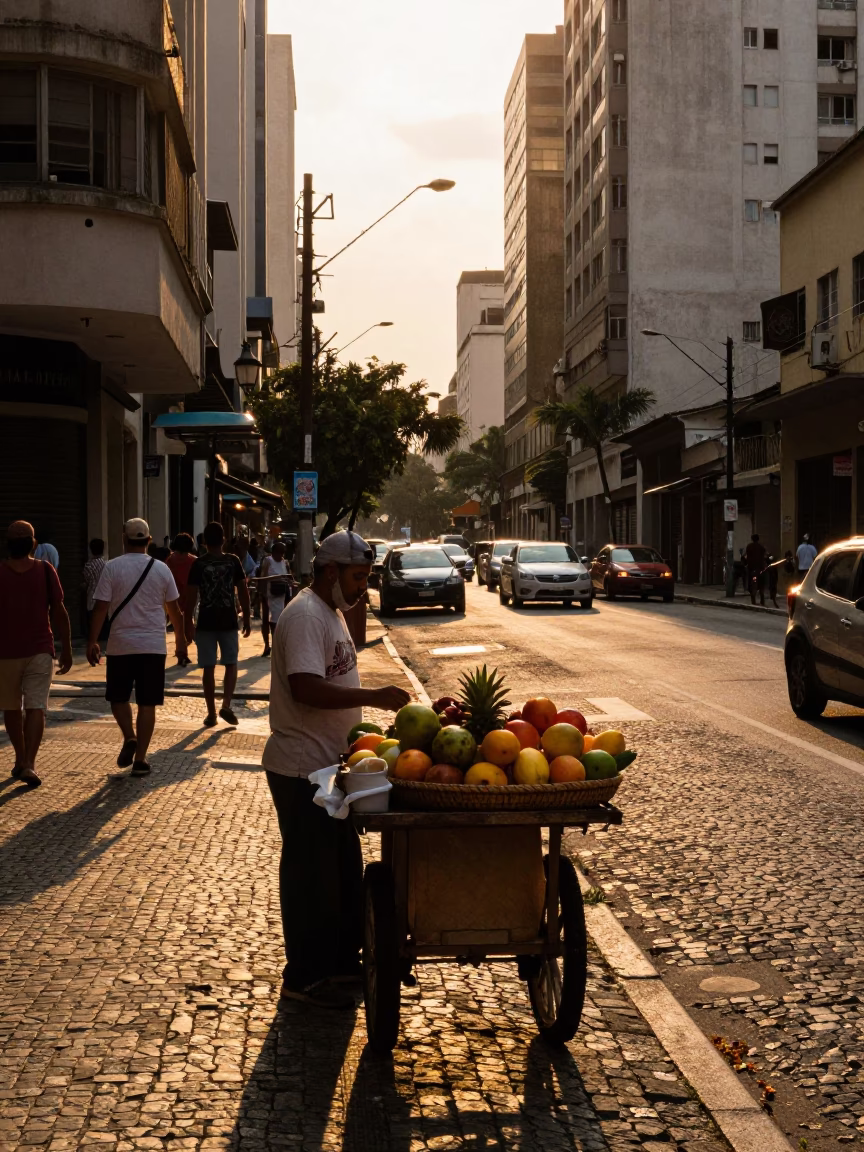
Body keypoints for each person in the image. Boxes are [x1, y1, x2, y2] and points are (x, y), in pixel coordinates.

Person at [262, 530, 411, 1009]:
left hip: (331, 768)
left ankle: (343, 965)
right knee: (310, 875)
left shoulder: (331, 611)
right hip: (303, 769)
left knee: (342, 871)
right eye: (357, 577)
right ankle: (304, 975)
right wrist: (373, 697)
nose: (362, 587)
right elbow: (305, 687)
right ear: (329, 572)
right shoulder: (306, 615)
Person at [87, 518, 187, 778]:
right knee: (147, 703)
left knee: (118, 698)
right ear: (149, 540)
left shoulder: (112, 568)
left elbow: (100, 608)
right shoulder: (162, 569)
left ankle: (129, 736)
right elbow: (175, 610)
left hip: (121, 645)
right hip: (153, 646)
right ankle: (141, 759)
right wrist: (180, 641)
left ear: (123, 538)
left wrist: (92, 641)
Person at [0, 520, 73, 788]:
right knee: (35, 708)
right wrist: (65, 647)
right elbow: (59, 609)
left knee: (11, 707)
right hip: (41, 649)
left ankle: (21, 759)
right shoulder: (45, 570)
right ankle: (28, 762)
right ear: (33, 544)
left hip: (5, 652)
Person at [185, 522, 251, 727]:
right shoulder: (233, 561)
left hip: (205, 621)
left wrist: (188, 622)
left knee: (208, 668)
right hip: (228, 621)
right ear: (223, 540)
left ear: (204, 542)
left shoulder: (199, 564)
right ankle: (226, 704)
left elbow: (191, 596)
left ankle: (211, 713)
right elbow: (243, 590)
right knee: (231, 663)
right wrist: (247, 616)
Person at [258, 541, 292, 657]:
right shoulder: (268, 561)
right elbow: (263, 577)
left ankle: (277, 645)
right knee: (266, 621)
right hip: (269, 594)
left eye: (282, 553)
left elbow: (289, 578)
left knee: (278, 621)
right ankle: (267, 645)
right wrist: (262, 593)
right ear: (273, 552)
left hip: (281, 595)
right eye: (279, 552)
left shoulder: (285, 562)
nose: (281, 555)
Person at [81, 538, 108, 640]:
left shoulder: (88, 565)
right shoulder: (107, 565)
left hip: (92, 599)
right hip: (105, 598)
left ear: (91, 550)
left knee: (92, 623)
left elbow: (86, 582)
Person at [744, 534, 768, 605]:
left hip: (751, 568)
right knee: (762, 584)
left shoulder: (749, 546)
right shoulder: (761, 547)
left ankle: (753, 599)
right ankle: (762, 600)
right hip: (760, 568)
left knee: (750, 582)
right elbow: (765, 555)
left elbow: (746, 556)